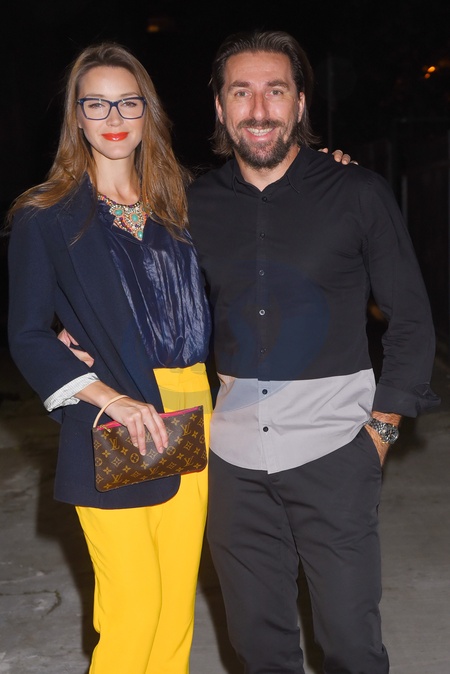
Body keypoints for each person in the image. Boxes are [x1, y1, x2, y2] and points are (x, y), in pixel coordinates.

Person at [187, 30, 440, 674]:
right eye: (241, 92)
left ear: (300, 103)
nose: (259, 110)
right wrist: (78, 332)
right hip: (232, 463)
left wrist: (381, 432)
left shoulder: (358, 193)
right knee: (259, 649)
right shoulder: (192, 205)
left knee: (352, 647)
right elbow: (146, 287)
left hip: (336, 452)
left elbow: (412, 321)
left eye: (275, 91)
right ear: (219, 106)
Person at [7, 43, 212, 674]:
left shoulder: (183, 202)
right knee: (134, 607)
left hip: (194, 408)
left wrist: (327, 164)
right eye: (96, 104)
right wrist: (105, 394)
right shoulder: (45, 215)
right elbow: (27, 334)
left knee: (174, 608)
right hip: (115, 419)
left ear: (149, 111)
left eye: (128, 102)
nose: (114, 117)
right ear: (77, 115)